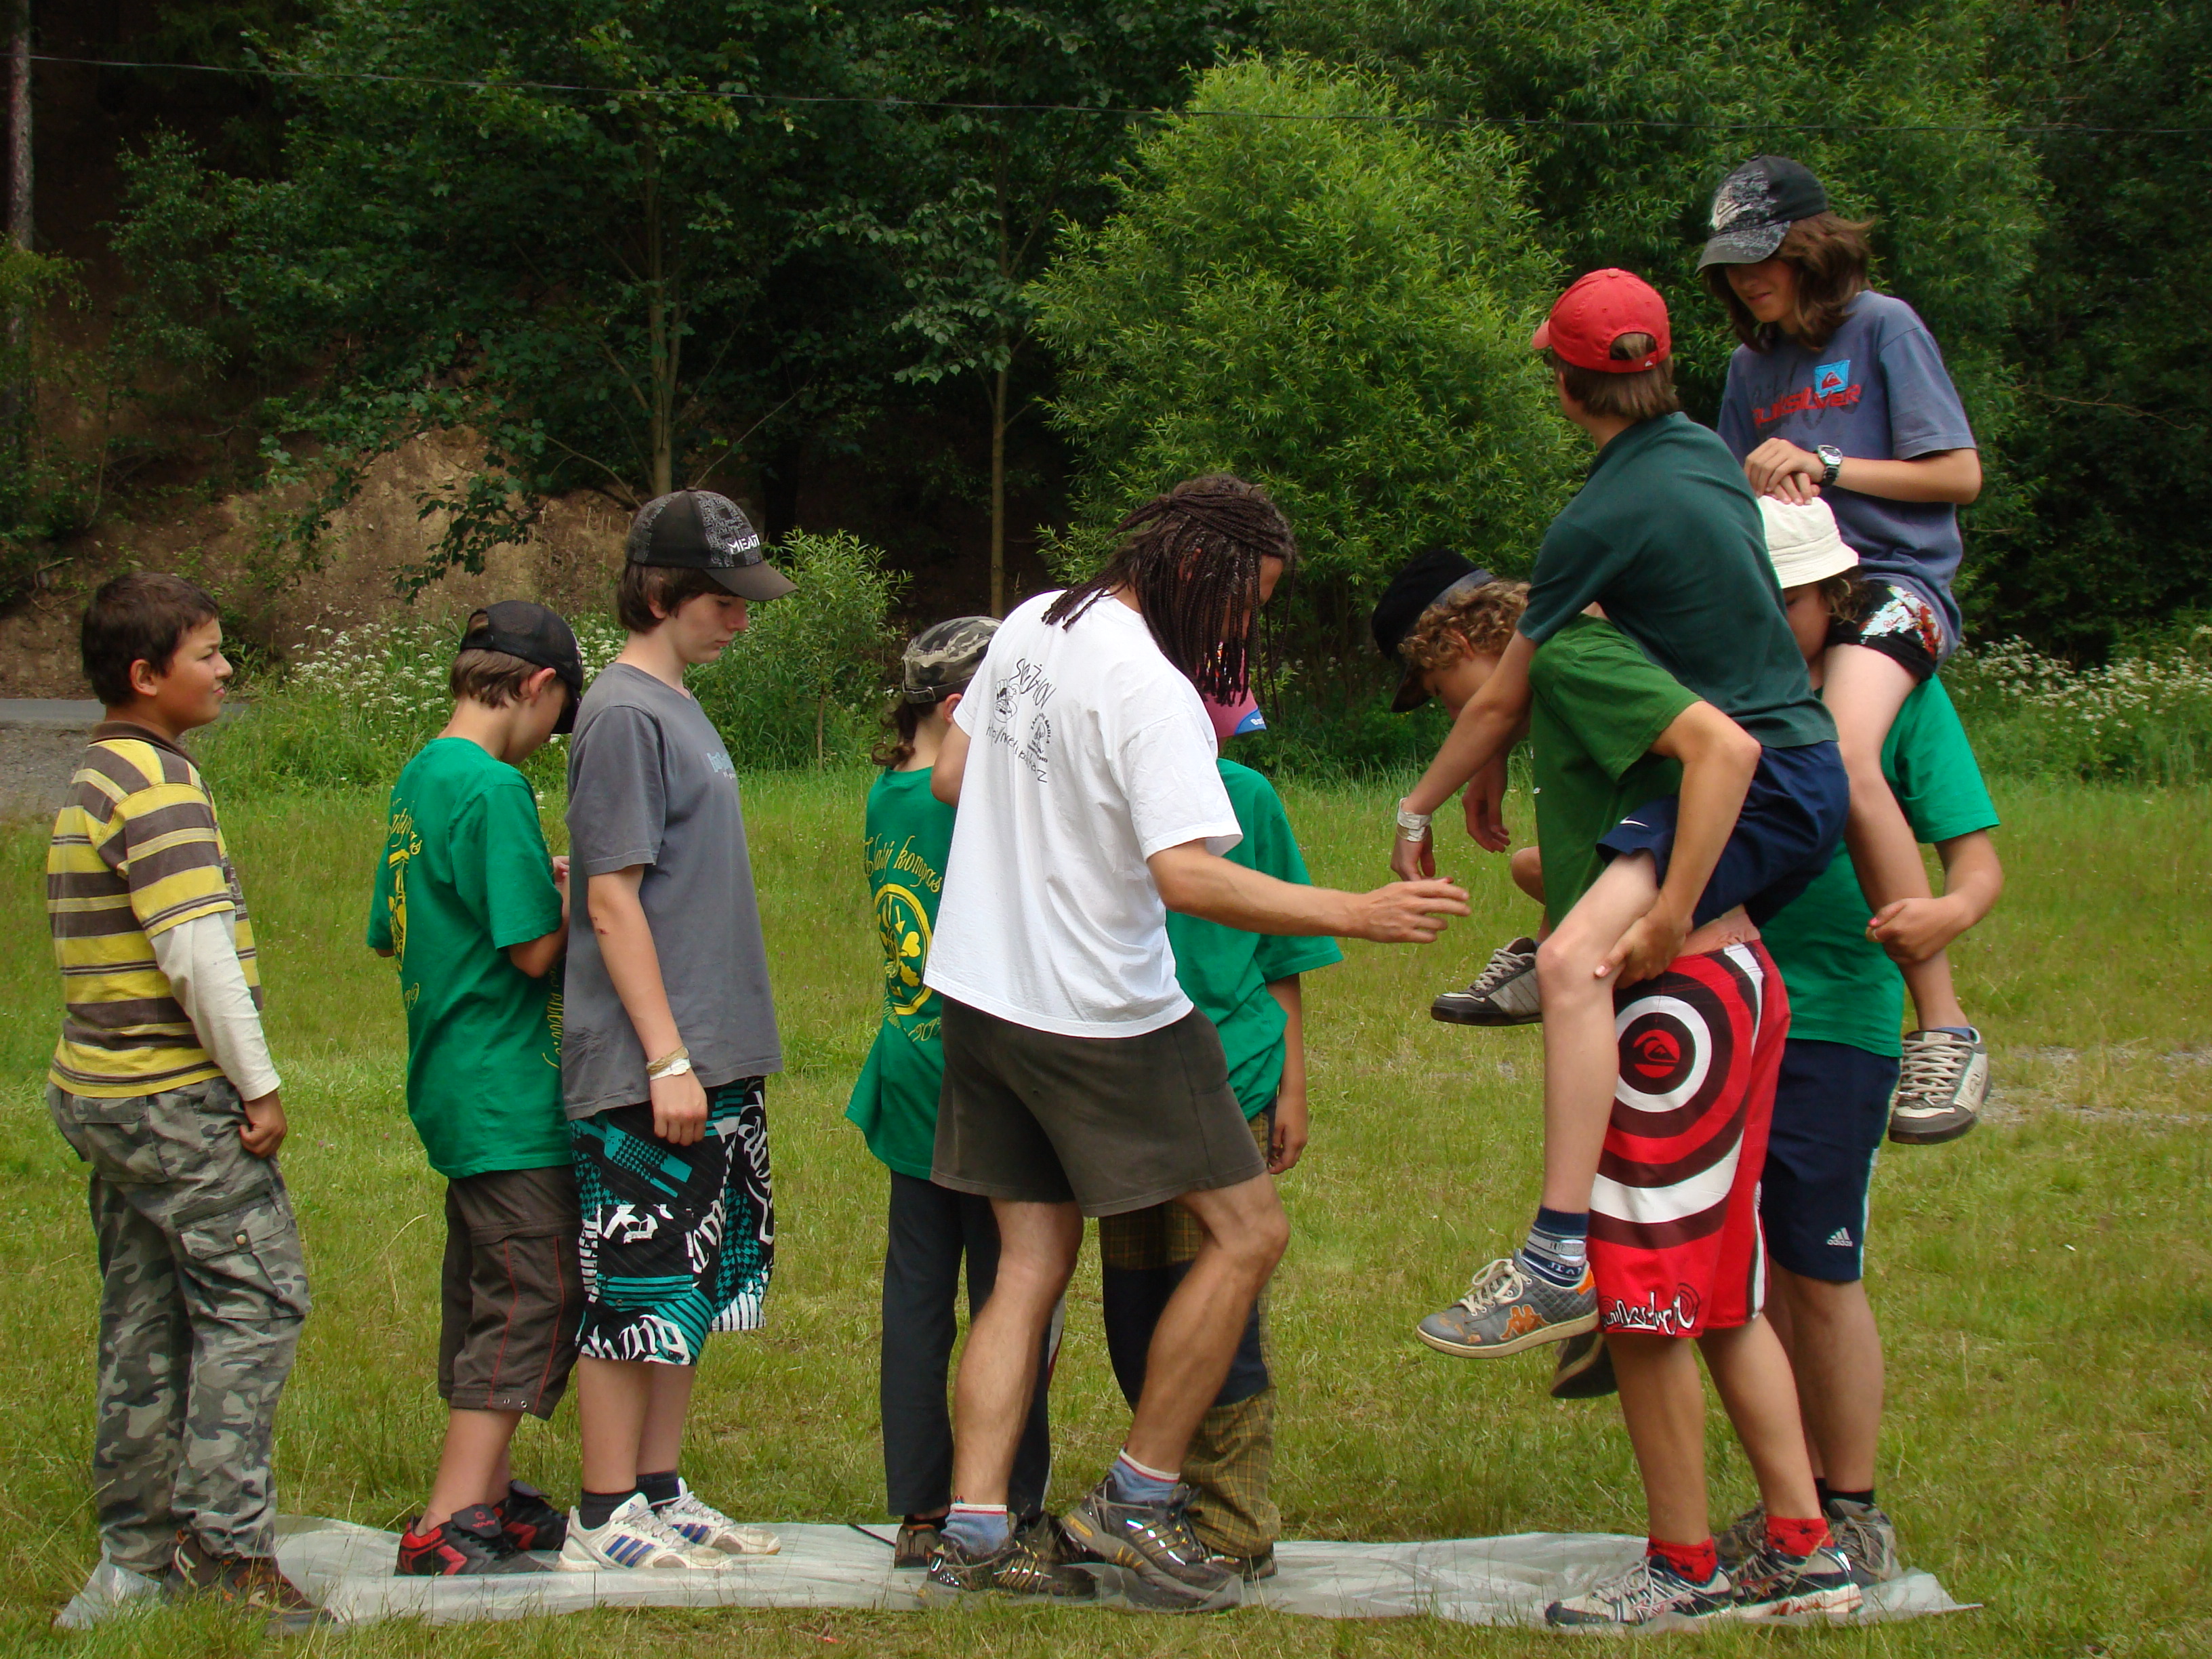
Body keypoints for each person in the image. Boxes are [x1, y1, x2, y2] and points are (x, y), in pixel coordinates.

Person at [922, 474, 1467, 1607]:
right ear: (1191, 568)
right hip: (1100, 1016)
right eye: (1241, 602)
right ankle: (1141, 1495)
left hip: (979, 996)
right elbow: (1189, 877)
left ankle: (974, 1533)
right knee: (1250, 1232)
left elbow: (952, 776)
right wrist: (1357, 912)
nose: (1238, 631)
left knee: (1028, 1264)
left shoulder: (1035, 619)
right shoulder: (1149, 684)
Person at [1384, 572, 1860, 1626]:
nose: (1464, 716)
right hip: (1718, 986)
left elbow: (1722, 755)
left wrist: (1671, 908)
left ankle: (1685, 1568)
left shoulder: (1573, 659)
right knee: (1720, 1298)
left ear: (1477, 643)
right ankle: (1803, 1548)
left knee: (1641, 1300)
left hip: (1679, 1001)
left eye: (1453, 690)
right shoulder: (1584, 679)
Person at [1391, 270, 1845, 1357]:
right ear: (1662, 364)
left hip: (1750, 777)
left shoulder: (1594, 519)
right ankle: (1659, 1271)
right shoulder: (1706, 457)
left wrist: (1420, 808)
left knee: (1571, 962)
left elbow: (1503, 692)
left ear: (1564, 384)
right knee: (1650, 957)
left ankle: (1562, 1260)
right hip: (1802, 765)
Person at [1711, 496, 2002, 1584]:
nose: (1765, 617)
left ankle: (1854, 1509)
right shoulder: (1714, 691)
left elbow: (1976, 863)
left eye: (1785, 600)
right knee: (1745, 1273)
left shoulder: (1893, 699)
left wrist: (1947, 913)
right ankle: (1793, 1506)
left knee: (1819, 1266)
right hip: (1724, 1008)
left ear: (1834, 598)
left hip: (1838, 1020)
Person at [46, 573, 317, 1631]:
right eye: (207, 653)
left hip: (105, 1095)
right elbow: (195, 954)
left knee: (145, 1309)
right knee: (258, 1295)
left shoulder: (97, 771)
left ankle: (132, 1564)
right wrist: (259, 1086)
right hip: (172, 1099)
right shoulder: (156, 786)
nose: (226, 669)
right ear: (145, 674)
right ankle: (226, 1551)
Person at [1700, 154, 1989, 1145]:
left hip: (1892, 584)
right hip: (1786, 590)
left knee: (1847, 750)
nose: (1747, 278)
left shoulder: (1884, 327)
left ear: (1813, 248)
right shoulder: (1749, 369)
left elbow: (1959, 475)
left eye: (1765, 256)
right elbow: (1732, 501)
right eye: (1732, 264)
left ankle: (1944, 1026)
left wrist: (1825, 462)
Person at [555, 490, 794, 1573]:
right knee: (635, 1284)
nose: (739, 619)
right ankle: (603, 1511)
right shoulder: (622, 715)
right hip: (653, 1067)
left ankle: (660, 1488)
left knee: (691, 1280)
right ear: (659, 595)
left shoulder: (677, 703)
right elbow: (612, 899)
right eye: (722, 600)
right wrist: (665, 1057)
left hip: (711, 1057)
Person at [1097, 690, 1343, 1584]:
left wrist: (1292, 1086)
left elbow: (1283, 952)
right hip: (1125, 1080)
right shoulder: (1108, 796)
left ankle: (1236, 1520)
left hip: (1230, 1076)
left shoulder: (1250, 801)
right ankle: (1160, 1493)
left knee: (1222, 1301)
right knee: (1136, 1303)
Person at [367, 602, 586, 1576]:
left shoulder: (423, 774)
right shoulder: (496, 786)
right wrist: (573, 892)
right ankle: (449, 1520)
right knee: (534, 1291)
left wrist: (530, 877)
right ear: (537, 687)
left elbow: (393, 926)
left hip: (452, 1076)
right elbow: (534, 949)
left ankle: (488, 1494)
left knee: (487, 1284)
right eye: (557, 717)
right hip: (508, 1090)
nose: (549, 740)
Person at [846, 615, 1060, 1569]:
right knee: (1017, 1290)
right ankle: (1006, 1499)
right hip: (983, 1081)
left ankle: (922, 1508)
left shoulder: (887, 792)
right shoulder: (967, 801)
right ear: (960, 706)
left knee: (918, 1303)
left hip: (909, 1069)